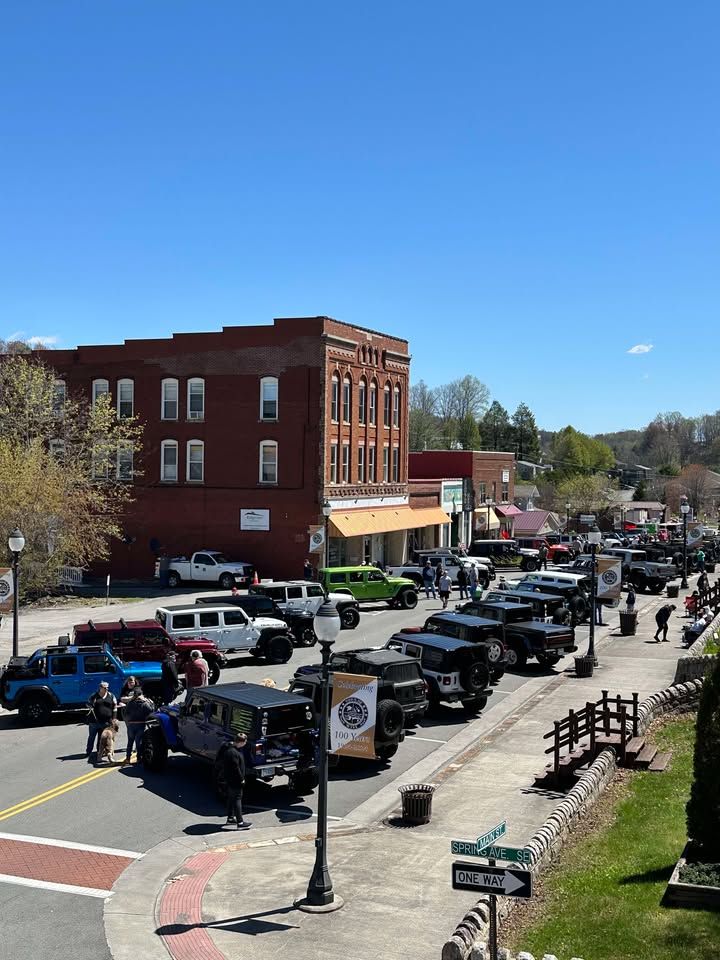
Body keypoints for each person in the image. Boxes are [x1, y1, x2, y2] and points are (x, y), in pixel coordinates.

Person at [223, 732, 250, 829]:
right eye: (245, 742)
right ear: (241, 742)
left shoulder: (229, 749)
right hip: (235, 780)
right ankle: (240, 822)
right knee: (237, 799)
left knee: (231, 798)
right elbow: (236, 768)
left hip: (229, 779)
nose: (245, 743)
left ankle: (230, 818)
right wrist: (241, 779)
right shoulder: (234, 753)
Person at [86, 681, 118, 762]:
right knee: (91, 737)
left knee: (102, 738)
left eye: (107, 687)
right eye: (105, 687)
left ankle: (99, 752)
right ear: (100, 688)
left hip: (106, 722)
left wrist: (114, 718)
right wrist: (89, 706)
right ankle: (88, 751)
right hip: (94, 721)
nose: (106, 688)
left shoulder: (111, 696)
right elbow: (88, 703)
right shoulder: (94, 696)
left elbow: (115, 707)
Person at [121, 689, 155, 765]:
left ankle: (128, 758)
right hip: (141, 724)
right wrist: (150, 702)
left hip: (131, 725)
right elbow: (152, 711)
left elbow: (125, 713)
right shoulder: (145, 703)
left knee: (130, 742)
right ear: (141, 695)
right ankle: (139, 758)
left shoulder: (131, 703)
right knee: (138, 743)